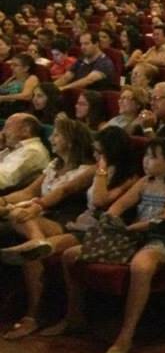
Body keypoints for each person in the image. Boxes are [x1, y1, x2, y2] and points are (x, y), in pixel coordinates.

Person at [59, 139, 165, 353]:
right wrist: (111, 218)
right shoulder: (144, 182)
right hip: (133, 236)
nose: (146, 161)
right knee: (70, 255)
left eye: (153, 157)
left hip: (160, 240)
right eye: (145, 156)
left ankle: (125, 336)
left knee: (141, 266)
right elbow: (120, 205)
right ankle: (75, 316)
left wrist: (133, 228)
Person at [0, 115, 96, 340]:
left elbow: (62, 193)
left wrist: (32, 207)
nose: (51, 138)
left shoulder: (87, 169)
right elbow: (28, 192)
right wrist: (3, 201)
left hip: (65, 220)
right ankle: (35, 243)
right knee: (15, 219)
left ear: (71, 141)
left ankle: (33, 314)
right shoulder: (54, 165)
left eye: (57, 135)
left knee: (17, 219)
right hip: (38, 216)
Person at [0, 113, 50, 192]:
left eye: (7, 127)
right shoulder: (14, 147)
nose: (2, 132)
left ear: (26, 130)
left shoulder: (33, 151)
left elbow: (4, 180)